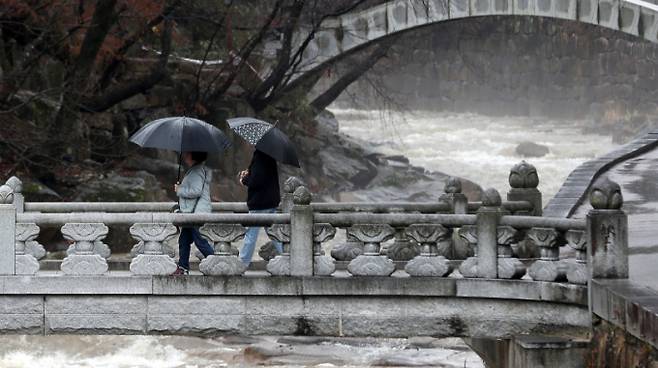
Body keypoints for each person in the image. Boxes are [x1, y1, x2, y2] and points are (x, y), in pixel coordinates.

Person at [172, 151, 214, 275]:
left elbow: (196, 191)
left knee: (200, 241)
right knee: (184, 240)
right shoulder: (196, 170)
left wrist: (180, 190)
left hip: (196, 213)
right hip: (191, 212)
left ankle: (217, 262)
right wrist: (182, 187)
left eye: (188, 153)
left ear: (194, 155)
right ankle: (183, 267)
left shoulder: (197, 171)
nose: (186, 155)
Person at [238, 149, 283, 266]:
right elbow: (262, 177)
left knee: (250, 236)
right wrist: (249, 173)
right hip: (270, 202)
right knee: (275, 235)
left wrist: (244, 179)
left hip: (260, 203)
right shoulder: (270, 154)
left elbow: (256, 181)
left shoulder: (260, 155)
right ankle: (289, 258)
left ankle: (242, 264)